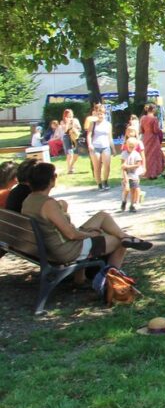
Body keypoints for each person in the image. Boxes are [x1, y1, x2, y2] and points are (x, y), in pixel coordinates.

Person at [21, 163, 152, 286]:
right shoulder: (48, 204)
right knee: (118, 242)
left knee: (102, 216)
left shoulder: (29, 199)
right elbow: (71, 234)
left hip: (48, 247)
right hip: (65, 250)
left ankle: (125, 236)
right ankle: (111, 282)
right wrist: (90, 235)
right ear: (51, 180)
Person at [86, 103, 113, 190]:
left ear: (104, 114)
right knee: (97, 166)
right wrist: (90, 144)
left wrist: (113, 148)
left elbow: (110, 137)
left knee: (107, 165)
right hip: (95, 146)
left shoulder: (108, 124)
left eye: (102, 114)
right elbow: (89, 135)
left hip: (105, 146)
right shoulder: (92, 124)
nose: (100, 115)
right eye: (98, 113)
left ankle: (105, 181)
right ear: (95, 114)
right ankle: (99, 183)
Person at [139, 104, 165, 179]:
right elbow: (155, 130)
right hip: (153, 138)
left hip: (146, 137)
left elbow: (141, 130)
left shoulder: (143, 118)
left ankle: (146, 172)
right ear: (153, 110)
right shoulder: (154, 119)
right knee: (154, 155)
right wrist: (160, 131)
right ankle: (153, 173)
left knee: (147, 154)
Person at [120, 138, 143, 213]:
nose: (131, 148)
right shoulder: (124, 154)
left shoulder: (136, 154)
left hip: (134, 175)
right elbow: (123, 166)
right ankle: (124, 201)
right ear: (126, 145)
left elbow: (138, 164)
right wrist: (125, 177)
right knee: (126, 189)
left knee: (133, 190)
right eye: (129, 146)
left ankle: (132, 204)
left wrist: (128, 166)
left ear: (136, 146)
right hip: (126, 175)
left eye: (133, 146)